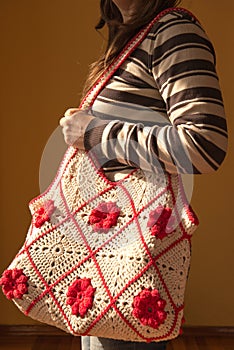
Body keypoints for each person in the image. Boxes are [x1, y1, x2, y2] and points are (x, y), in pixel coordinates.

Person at [59, 0, 228, 349]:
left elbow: (205, 143)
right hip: (106, 245)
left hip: (131, 249)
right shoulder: (134, 36)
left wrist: (96, 133)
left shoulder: (173, 31)